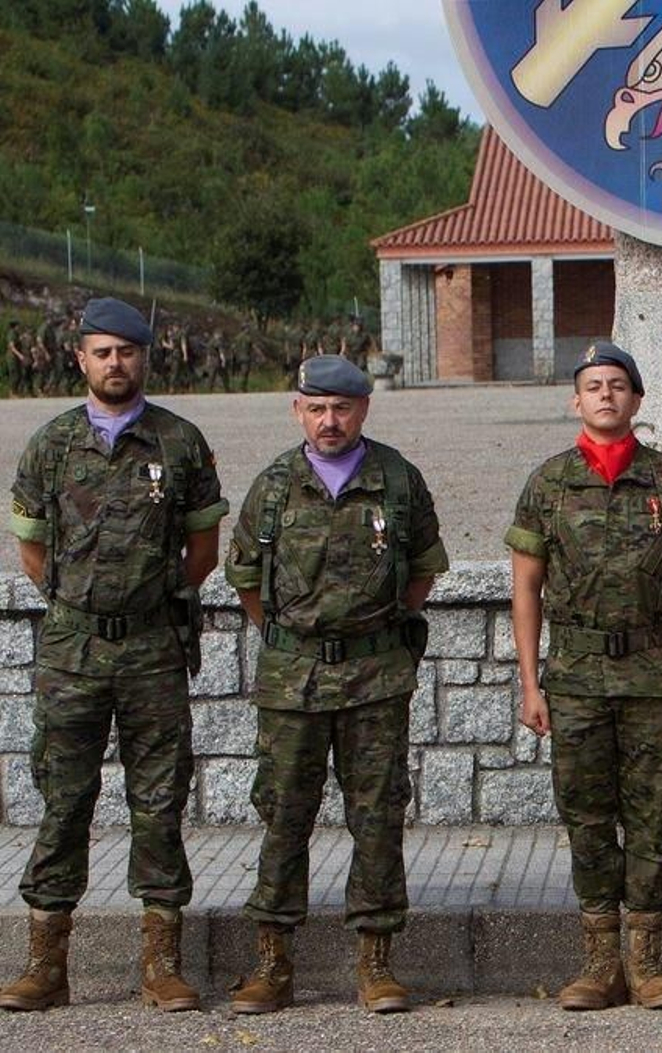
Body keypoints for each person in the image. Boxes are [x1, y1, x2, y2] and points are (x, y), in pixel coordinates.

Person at [2, 298, 227, 1013]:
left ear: (145, 357)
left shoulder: (179, 442)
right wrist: (85, 603)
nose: (115, 363)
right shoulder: (52, 444)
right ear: (81, 359)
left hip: (153, 649)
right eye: (102, 352)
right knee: (64, 801)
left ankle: (161, 963)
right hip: (72, 650)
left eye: (126, 352)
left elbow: (204, 549)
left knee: (158, 802)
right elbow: (34, 550)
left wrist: (149, 600)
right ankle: (45, 964)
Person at [225, 356, 448, 1015]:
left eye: (342, 407)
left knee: (377, 816)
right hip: (292, 682)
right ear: (298, 409)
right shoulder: (273, 486)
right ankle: (272, 964)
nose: (330, 419)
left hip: (375, 677)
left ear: (363, 409)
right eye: (316, 407)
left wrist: (366, 632)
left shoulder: (397, 480)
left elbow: (423, 571)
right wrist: (299, 642)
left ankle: (376, 964)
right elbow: (245, 579)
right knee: (284, 816)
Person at [507, 341, 662, 1012]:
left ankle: (648, 963)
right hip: (573, 675)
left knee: (653, 813)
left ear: (637, 399)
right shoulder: (547, 483)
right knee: (587, 816)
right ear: (576, 399)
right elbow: (527, 589)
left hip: (655, 672)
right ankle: (600, 963)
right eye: (594, 385)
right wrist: (530, 683)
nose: (606, 394)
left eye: (618, 384)